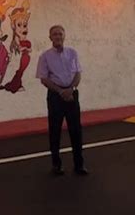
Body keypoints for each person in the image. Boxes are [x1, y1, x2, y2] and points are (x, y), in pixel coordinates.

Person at [36, 25, 88, 176]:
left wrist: (71, 89)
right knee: (55, 131)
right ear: (50, 38)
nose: (57, 36)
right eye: (54, 34)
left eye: (60, 34)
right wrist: (60, 91)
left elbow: (78, 73)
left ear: (64, 36)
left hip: (72, 94)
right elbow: (44, 79)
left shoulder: (72, 53)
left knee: (76, 131)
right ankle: (56, 165)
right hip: (55, 96)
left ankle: (79, 165)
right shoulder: (45, 56)